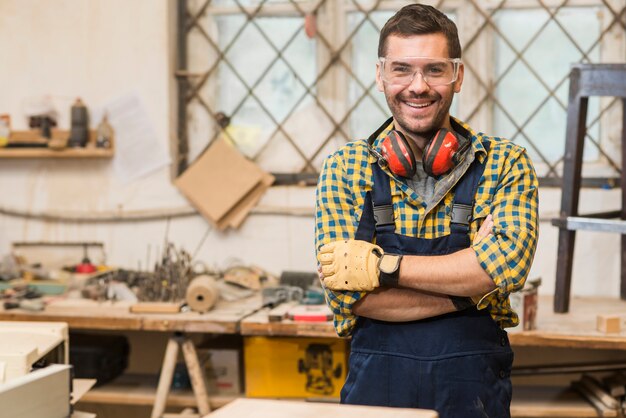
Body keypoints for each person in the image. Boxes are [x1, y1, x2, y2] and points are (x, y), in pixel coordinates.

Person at [314, 4, 538, 418]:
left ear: (458, 75)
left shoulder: (505, 162)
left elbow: (503, 269)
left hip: (473, 398)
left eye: (434, 70)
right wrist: (471, 292)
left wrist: (383, 268)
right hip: (375, 397)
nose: (418, 86)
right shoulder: (345, 167)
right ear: (380, 75)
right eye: (402, 69)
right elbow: (348, 295)